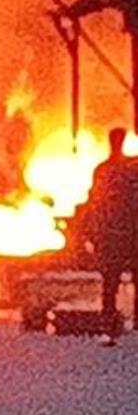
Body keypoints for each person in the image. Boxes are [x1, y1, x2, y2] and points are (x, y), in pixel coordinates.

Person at [83, 127, 138, 342]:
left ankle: (109, 321)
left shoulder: (104, 170)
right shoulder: (130, 169)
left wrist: (92, 233)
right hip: (127, 232)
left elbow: (94, 203)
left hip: (114, 233)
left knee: (111, 281)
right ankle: (127, 321)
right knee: (121, 278)